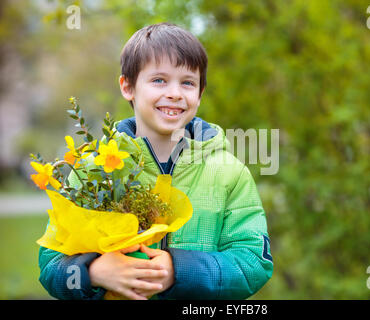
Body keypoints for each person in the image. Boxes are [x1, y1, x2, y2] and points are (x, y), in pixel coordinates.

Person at [38, 22, 273, 300]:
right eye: (159, 80)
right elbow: (50, 266)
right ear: (128, 86)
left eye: (187, 82)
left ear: (200, 94)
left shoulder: (230, 173)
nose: (175, 93)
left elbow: (253, 263)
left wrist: (179, 270)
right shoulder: (93, 169)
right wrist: (93, 272)